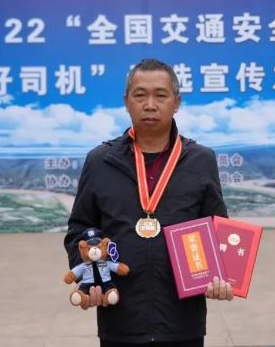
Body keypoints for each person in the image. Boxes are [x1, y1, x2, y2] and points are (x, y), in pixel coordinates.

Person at [63, 58, 232, 347]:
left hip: (183, 323)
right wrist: (92, 275)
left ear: (176, 102)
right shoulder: (100, 161)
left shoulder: (201, 160)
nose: (150, 104)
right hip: (120, 320)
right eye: (140, 95)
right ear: (126, 102)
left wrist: (222, 276)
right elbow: (79, 229)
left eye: (161, 95)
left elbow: (218, 229)